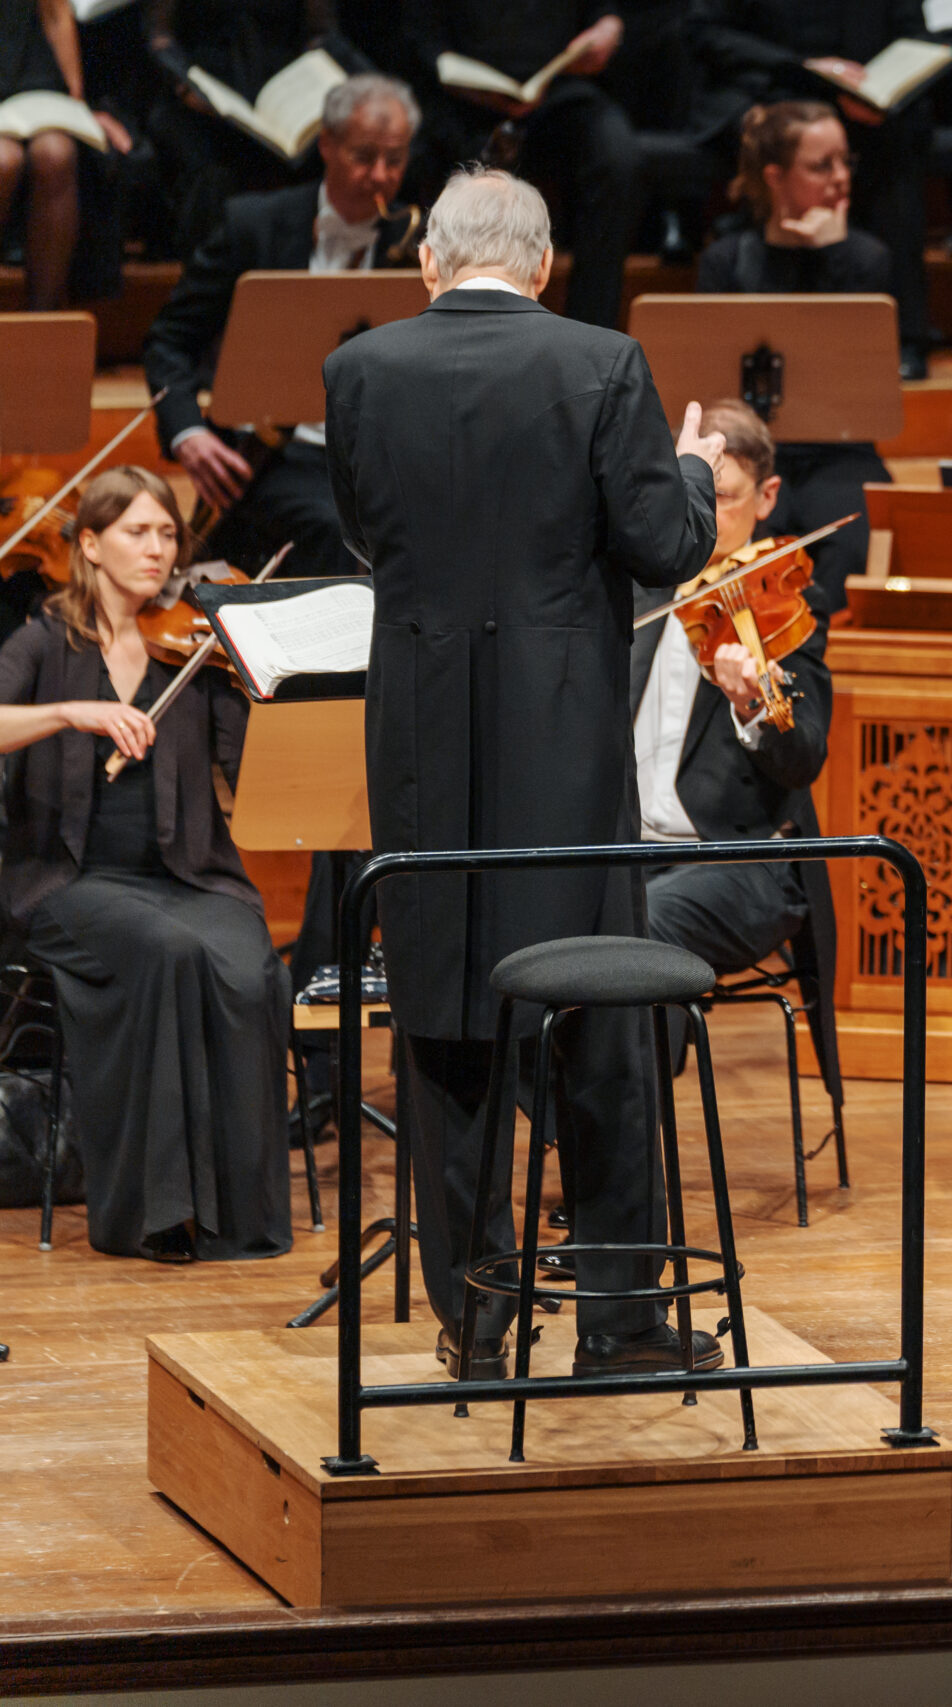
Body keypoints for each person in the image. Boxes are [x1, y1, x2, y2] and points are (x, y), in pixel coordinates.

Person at [323, 166, 724, 1380]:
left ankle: (475, 1319)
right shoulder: (601, 362)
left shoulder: (359, 370)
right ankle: (620, 1324)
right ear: (544, 262)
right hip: (564, 743)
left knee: (444, 1022)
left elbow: (366, 534)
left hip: (421, 739)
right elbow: (664, 543)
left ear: (428, 262)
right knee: (598, 1018)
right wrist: (695, 470)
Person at [0, 468, 293, 1265]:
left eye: (168, 533)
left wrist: (264, 690)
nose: (159, 549)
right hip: (69, 884)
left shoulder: (193, 644)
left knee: (250, 965)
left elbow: (249, 773)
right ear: (91, 544)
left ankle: (241, 1218)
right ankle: (155, 1213)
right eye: (138, 531)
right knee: (166, 952)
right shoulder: (44, 641)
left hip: (190, 874)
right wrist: (69, 712)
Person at [143, 73, 417, 583]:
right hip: (273, 457)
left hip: (382, 456)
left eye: (395, 160)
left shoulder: (420, 245)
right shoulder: (253, 226)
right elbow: (169, 340)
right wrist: (188, 433)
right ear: (327, 145)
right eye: (364, 157)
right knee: (340, 527)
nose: (380, 176)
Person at [634, 399, 832, 981]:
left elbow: (803, 759)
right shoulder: (633, 594)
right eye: (687, 488)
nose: (702, 507)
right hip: (625, 851)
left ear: (767, 497)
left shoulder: (782, 602)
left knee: (638, 926)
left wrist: (752, 706)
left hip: (738, 861)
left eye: (721, 495)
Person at [693, 100, 892, 613]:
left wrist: (833, 256)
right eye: (821, 166)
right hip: (748, 453)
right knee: (734, 547)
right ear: (775, 177)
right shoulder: (725, 262)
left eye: (845, 161)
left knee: (852, 546)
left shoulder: (865, 260)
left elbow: (865, 377)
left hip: (839, 452)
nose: (841, 177)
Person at [687, 0, 938, 378]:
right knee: (778, 135)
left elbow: (914, 36)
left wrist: (879, 89)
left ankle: (904, 334)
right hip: (768, 87)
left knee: (901, 141)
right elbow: (705, 33)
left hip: (861, 98)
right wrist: (801, 67)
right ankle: (758, 322)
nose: (840, 176)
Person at [403, 3, 646, 330]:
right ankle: (457, 328)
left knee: (617, 156)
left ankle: (590, 329)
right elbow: (420, 39)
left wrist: (608, 26)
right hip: (465, 100)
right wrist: (465, 86)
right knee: (458, 166)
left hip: (559, 88)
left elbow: (604, 12)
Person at [142, 0, 372, 255]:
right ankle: (209, 268)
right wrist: (185, 84)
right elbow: (160, 37)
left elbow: (321, 34)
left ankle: (315, 265)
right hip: (201, 100)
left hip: (281, 93)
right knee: (209, 170)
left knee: (330, 146)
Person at [1, 0, 132, 311]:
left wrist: (78, 102)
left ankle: (43, 319)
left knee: (56, 153)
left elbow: (57, 15)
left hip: (34, 73)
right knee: (4, 161)